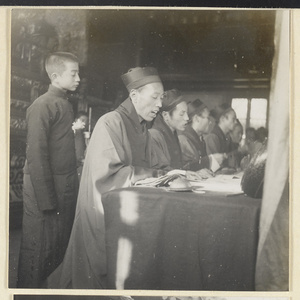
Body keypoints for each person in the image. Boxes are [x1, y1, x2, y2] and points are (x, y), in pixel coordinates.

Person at [46, 66, 165, 289]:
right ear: (134, 96)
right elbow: (105, 177)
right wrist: (151, 174)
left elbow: (155, 165)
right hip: (103, 209)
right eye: (155, 97)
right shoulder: (110, 122)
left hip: (131, 206)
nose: (160, 104)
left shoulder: (143, 129)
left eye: (162, 98)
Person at [17, 52, 80, 288]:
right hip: (44, 190)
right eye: (73, 73)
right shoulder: (42, 105)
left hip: (61, 187)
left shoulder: (62, 103)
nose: (78, 78)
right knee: (38, 247)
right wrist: (46, 200)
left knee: (57, 246)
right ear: (55, 76)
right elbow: (36, 155)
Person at [149, 90, 210, 179]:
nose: (187, 118)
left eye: (186, 113)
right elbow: (160, 172)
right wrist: (184, 174)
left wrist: (196, 172)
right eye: (182, 114)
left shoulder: (173, 134)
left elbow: (176, 168)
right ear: (166, 115)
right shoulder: (154, 136)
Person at [178, 99, 225, 173]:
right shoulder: (183, 140)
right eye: (208, 118)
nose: (210, 122)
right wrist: (209, 160)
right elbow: (185, 169)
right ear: (196, 119)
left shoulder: (200, 139)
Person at [205, 103, 237, 168]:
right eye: (233, 119)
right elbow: (214, 166)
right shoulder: (212, 137)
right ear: (222, 119)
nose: (236, 122)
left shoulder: (227, 137)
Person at [72, 111, 89, 180]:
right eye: (82, 120)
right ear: (76, 120)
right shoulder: (71, 132)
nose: (84, 123)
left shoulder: (82, 134)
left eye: (86, 121)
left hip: (80, 166)